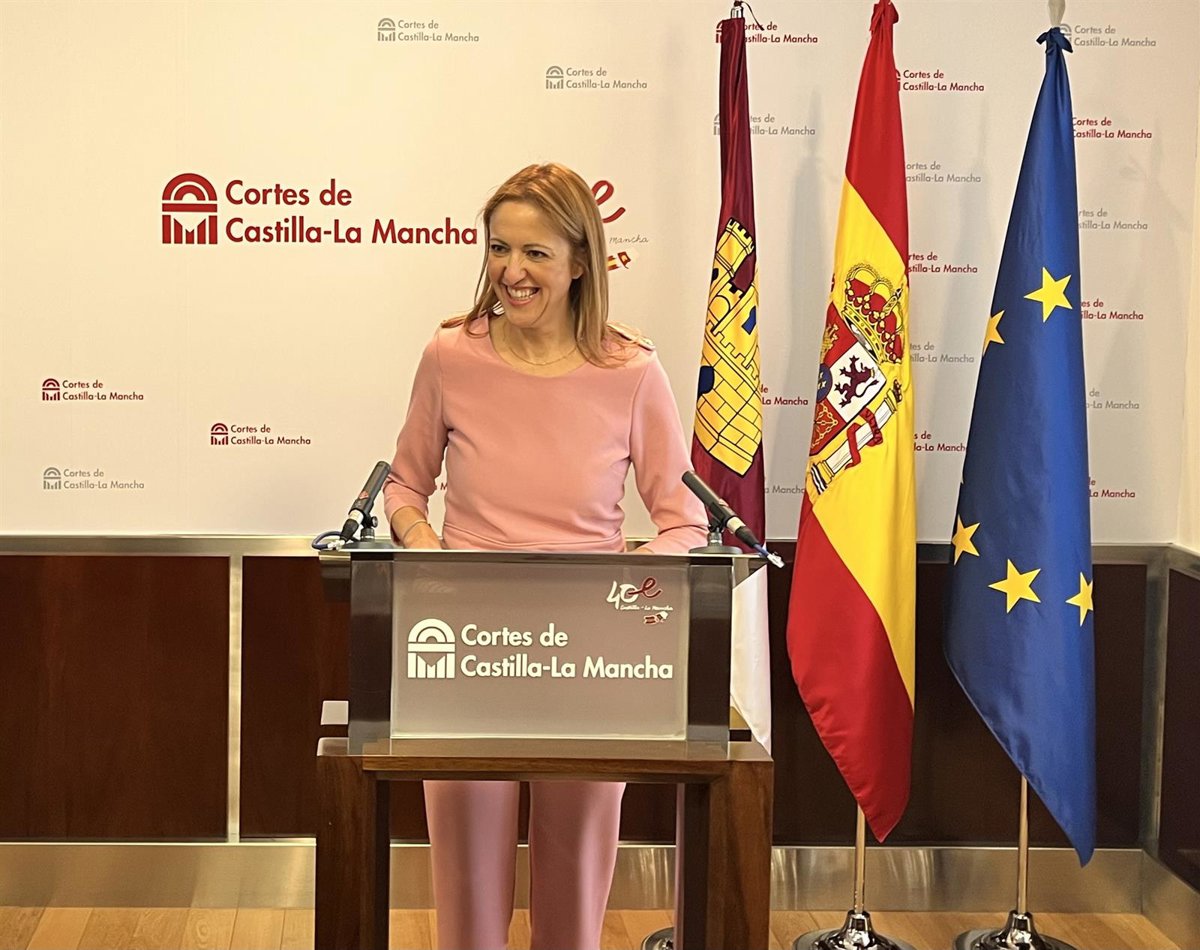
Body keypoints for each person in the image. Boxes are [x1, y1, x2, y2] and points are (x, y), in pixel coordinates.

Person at [382, 162, 706, 950]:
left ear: (581, 262)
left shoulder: (633, 372)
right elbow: (405, 486)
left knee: (573, 889)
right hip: (465, 647)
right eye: (500, 249)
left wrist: (625, 588)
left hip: (592, 658)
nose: (512, 271)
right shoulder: (450, 354)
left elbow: (684, 521)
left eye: (535, 253)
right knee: (467, 890)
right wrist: (428, 550)